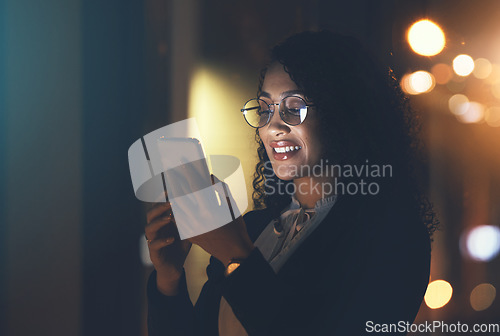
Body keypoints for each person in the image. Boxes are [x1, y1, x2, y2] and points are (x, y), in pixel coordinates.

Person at [144, 30, 438, 335]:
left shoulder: (392, 237)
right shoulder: (256, 228)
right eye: (265, 108)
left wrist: (238, 257)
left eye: (294, 108)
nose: (273, 126)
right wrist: (169, 279)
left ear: (344, 114)